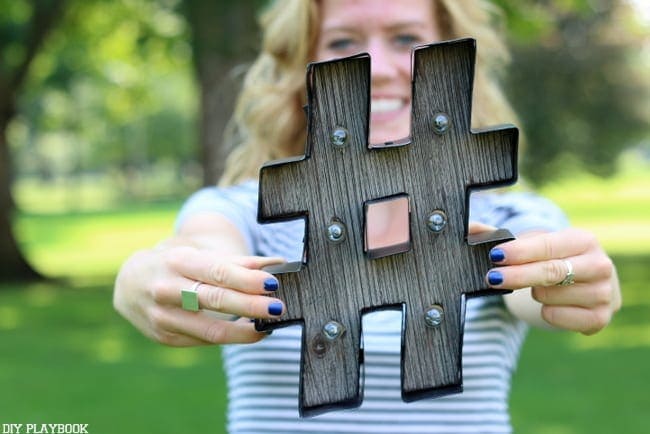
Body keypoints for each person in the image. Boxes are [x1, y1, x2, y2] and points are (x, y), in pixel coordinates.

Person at [114, 0, 622, 432]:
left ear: (454, 56)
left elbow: (536, 285)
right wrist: (160, 276)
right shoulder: (243, 211)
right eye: (341, 42)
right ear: (301, 66)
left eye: (406, 38)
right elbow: (204, 256)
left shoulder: (512, 213)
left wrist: (565, 278)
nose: (377, 66)